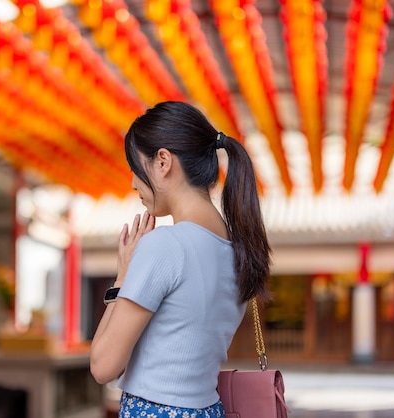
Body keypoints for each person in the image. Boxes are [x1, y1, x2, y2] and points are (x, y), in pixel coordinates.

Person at [90, 101, 271, 417]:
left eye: (135, 167)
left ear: (163, 161)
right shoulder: (238, 250)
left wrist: (122, 278)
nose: (133, 183)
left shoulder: (165, 245)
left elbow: (103, 366)